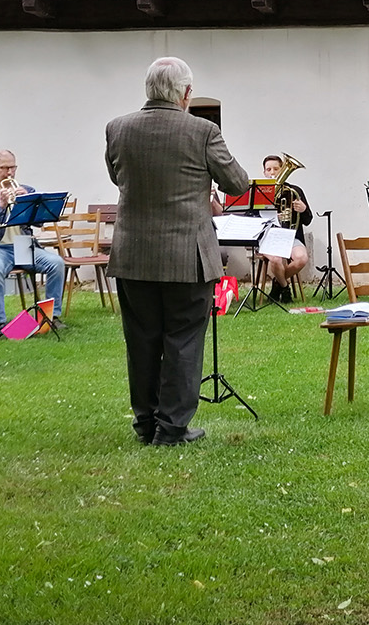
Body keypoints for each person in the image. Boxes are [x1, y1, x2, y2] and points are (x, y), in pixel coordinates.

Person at [107, 56, 250, 447]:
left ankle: (145, 424)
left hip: (133, 253)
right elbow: (237, 183)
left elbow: (116, 175)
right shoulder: (202, 131)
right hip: (187, 254)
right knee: (183, 341)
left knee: (141, 341)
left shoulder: (117, 128)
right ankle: (171, 429)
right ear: (186, 93)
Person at [0, 150, 67, 332]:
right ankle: (0, 322)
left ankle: (51, 316)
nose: (9, 173)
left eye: (12, 167)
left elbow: (39, 222)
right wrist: (0, 205)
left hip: (25, 246)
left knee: (56, 263)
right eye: (4, 168)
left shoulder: (27, 189)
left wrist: (27, 202)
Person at [259, 154, 312, 303]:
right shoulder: (260, 192)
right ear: (264, 172)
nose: (272, 172)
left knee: (301, 259)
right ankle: (285, 286)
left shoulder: (295, 191)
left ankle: (277, 285)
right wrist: (275, 217)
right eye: (268, 169)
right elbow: (253, 218)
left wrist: (303, 209)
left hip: (291, 236)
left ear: (282, 169)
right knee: (276, 260)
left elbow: (308, 220)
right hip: (268, 237)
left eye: (276, 168)